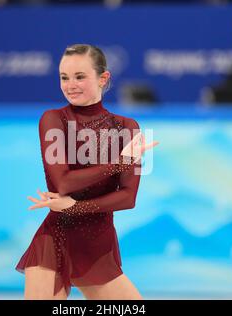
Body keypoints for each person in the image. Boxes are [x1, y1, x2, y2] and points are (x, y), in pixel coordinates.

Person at [15, 44, 158, 300]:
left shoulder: (127, 127)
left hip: (98, 245)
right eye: (64, 77)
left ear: (103, 78)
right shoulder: (53, 120)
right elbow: (63, 182)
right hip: (55, 240)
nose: (70, 85)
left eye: (80, 76)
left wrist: (74, 207)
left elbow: (127, 198)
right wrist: (118, 163)